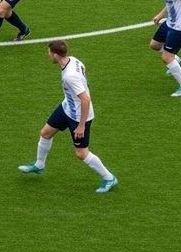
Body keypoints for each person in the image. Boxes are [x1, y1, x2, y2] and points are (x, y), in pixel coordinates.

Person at [18, 41, 118, 193]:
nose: (48, 55)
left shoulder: (69, 76)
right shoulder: (74, 60)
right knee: (45, 133)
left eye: (49, 53)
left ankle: (109, 177)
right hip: (67, 107)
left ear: (55, 54)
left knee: (81, 153)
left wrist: (81, 125)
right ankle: (39, 165)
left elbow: (85, 99)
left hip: (79, 116)